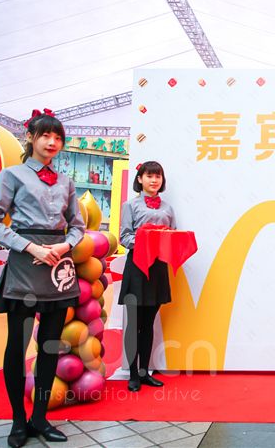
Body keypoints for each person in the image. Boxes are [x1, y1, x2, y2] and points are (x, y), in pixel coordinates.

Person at [0, 109, 85, 447]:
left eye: (58, 137)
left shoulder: (67, 182)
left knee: (50, 345)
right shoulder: (11, 175)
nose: (52, 142)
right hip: (25, 264)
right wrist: (31, 247)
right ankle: (17, 421)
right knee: (17, 345)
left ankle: (40, 418)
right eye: (45, 135)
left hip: (57, 267)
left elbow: (78, 226)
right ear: (30, 137)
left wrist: (65, 245)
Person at [118, 161, 176, 392]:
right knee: (134, 323)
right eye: (149, 176)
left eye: (158, 176)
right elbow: (124, 237)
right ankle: (133, 374)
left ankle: (145, 372)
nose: (154, 180)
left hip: (158, 268)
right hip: (137, 267)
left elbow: (172, 235)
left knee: (149, 323)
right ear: (140, 179)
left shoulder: (168, 208)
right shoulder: (130, 205)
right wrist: (147, 241)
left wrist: (166, 240)